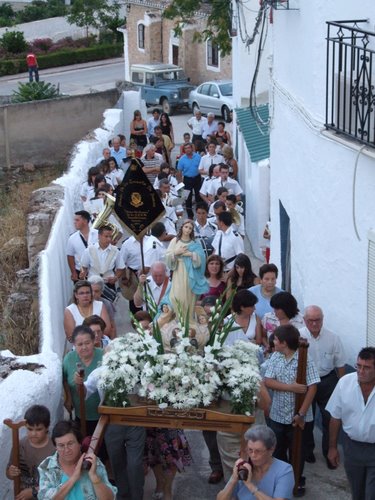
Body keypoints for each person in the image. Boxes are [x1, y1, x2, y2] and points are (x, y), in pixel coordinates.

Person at [264, 324, 320, 497]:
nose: (273, 341)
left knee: (298, 452)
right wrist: (291, 388)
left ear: (284, 343)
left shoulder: (304, 359)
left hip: (299, 416)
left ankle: (297, 479)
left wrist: (301, 414)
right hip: (278, 414)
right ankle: (282, 480)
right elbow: (268, 381)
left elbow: (312, 388)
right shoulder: (276, 357)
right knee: (278, 450)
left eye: (276, 340)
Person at [299, 305, 346, 467]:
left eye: (317, 320)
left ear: (322, 319)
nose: (314, 324)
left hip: (327, 380)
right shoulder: (298, 336)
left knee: (330, 418)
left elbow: (340, 364)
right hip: (306, 383)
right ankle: (307, 450)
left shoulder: (333, 338)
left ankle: (329, 452)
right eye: (310, 320)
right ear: (304, 320)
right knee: (307, 419)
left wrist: (342, 387)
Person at [326, 347, 375, 500]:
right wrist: (332, 447)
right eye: (358, 366)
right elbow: (335, 417)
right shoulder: (345, 383)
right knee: (357, 493)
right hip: (352, 448)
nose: (361, 371)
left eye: (367, 367)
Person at [38, 420, 116, 499]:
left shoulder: (93, 462)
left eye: (70, 443)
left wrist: (95, 478)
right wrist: (74, 477)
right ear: (56, 447)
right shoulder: (47, 466)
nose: (67, 450)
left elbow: (110, 498)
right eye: (61, 445)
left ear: (80, 443)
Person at [217, 425, 294, 500]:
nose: (253, 455)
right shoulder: (244, 467)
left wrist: (250, 485)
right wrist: (233, 479)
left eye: (258, 451)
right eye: (250, 450)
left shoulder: (284, 470)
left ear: (271, 450)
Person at [6, 405, 55, 499]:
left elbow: (58, 482)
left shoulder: (54, 448)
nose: (33, 434)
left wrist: (34, 491)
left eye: (39, 429)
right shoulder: (19, 446)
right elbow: (9, 473)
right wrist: (10, 472)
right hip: (22, 496)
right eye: (30, 429)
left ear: (47, 427)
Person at [63, 326, 104, 435]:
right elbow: (64, 380)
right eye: (80, 345)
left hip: (104, 416)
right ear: (74, 345)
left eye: (87, 343)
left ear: (93, 341)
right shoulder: (69, 358)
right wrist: (68, 397)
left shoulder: (104, 356)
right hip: (80, 415)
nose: (84, 347)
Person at [165, 220, 208, 318]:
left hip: (190, 273)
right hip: (178, 272)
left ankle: (188, 320)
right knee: (176, 296)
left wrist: (191, 254)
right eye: (186, 227)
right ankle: (177, 319)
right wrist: (176, 252)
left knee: (188, 297)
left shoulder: (194, 243)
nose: (187, 230)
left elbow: (202, 258)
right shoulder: (175, 241)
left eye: (190, 228)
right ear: (182, 227)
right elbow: (167, 257)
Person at [66, 210, 98, 283]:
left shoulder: (97, 234)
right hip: (80, 272)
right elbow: (70, 256)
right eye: (74, 220)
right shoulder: (72, 238)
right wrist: (73, 272)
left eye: (77, 220)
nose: (74, 222)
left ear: (85, 221)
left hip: (97, 270)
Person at [177, 142, 203, 219]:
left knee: (199, 197)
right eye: (186, 148)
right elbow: (179, 172)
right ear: (184, 150)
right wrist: (180, 184)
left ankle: (200, 214)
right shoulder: (182, 159)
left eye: (189, 148)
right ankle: (190, 215)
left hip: (197, 178)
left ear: (192, 148)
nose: (188, 149)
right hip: (187, 180)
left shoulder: (198, 157)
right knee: (187, 198)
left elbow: (201, 167)